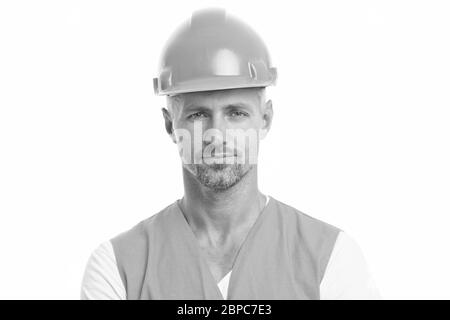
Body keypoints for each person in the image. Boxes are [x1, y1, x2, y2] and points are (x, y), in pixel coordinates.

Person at [80, 7, 381, 300]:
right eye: (198, 115)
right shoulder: (118, 268)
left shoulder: (329, 259)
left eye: (236, 113)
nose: (217, 134)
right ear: (171, 125)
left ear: (265, 119)